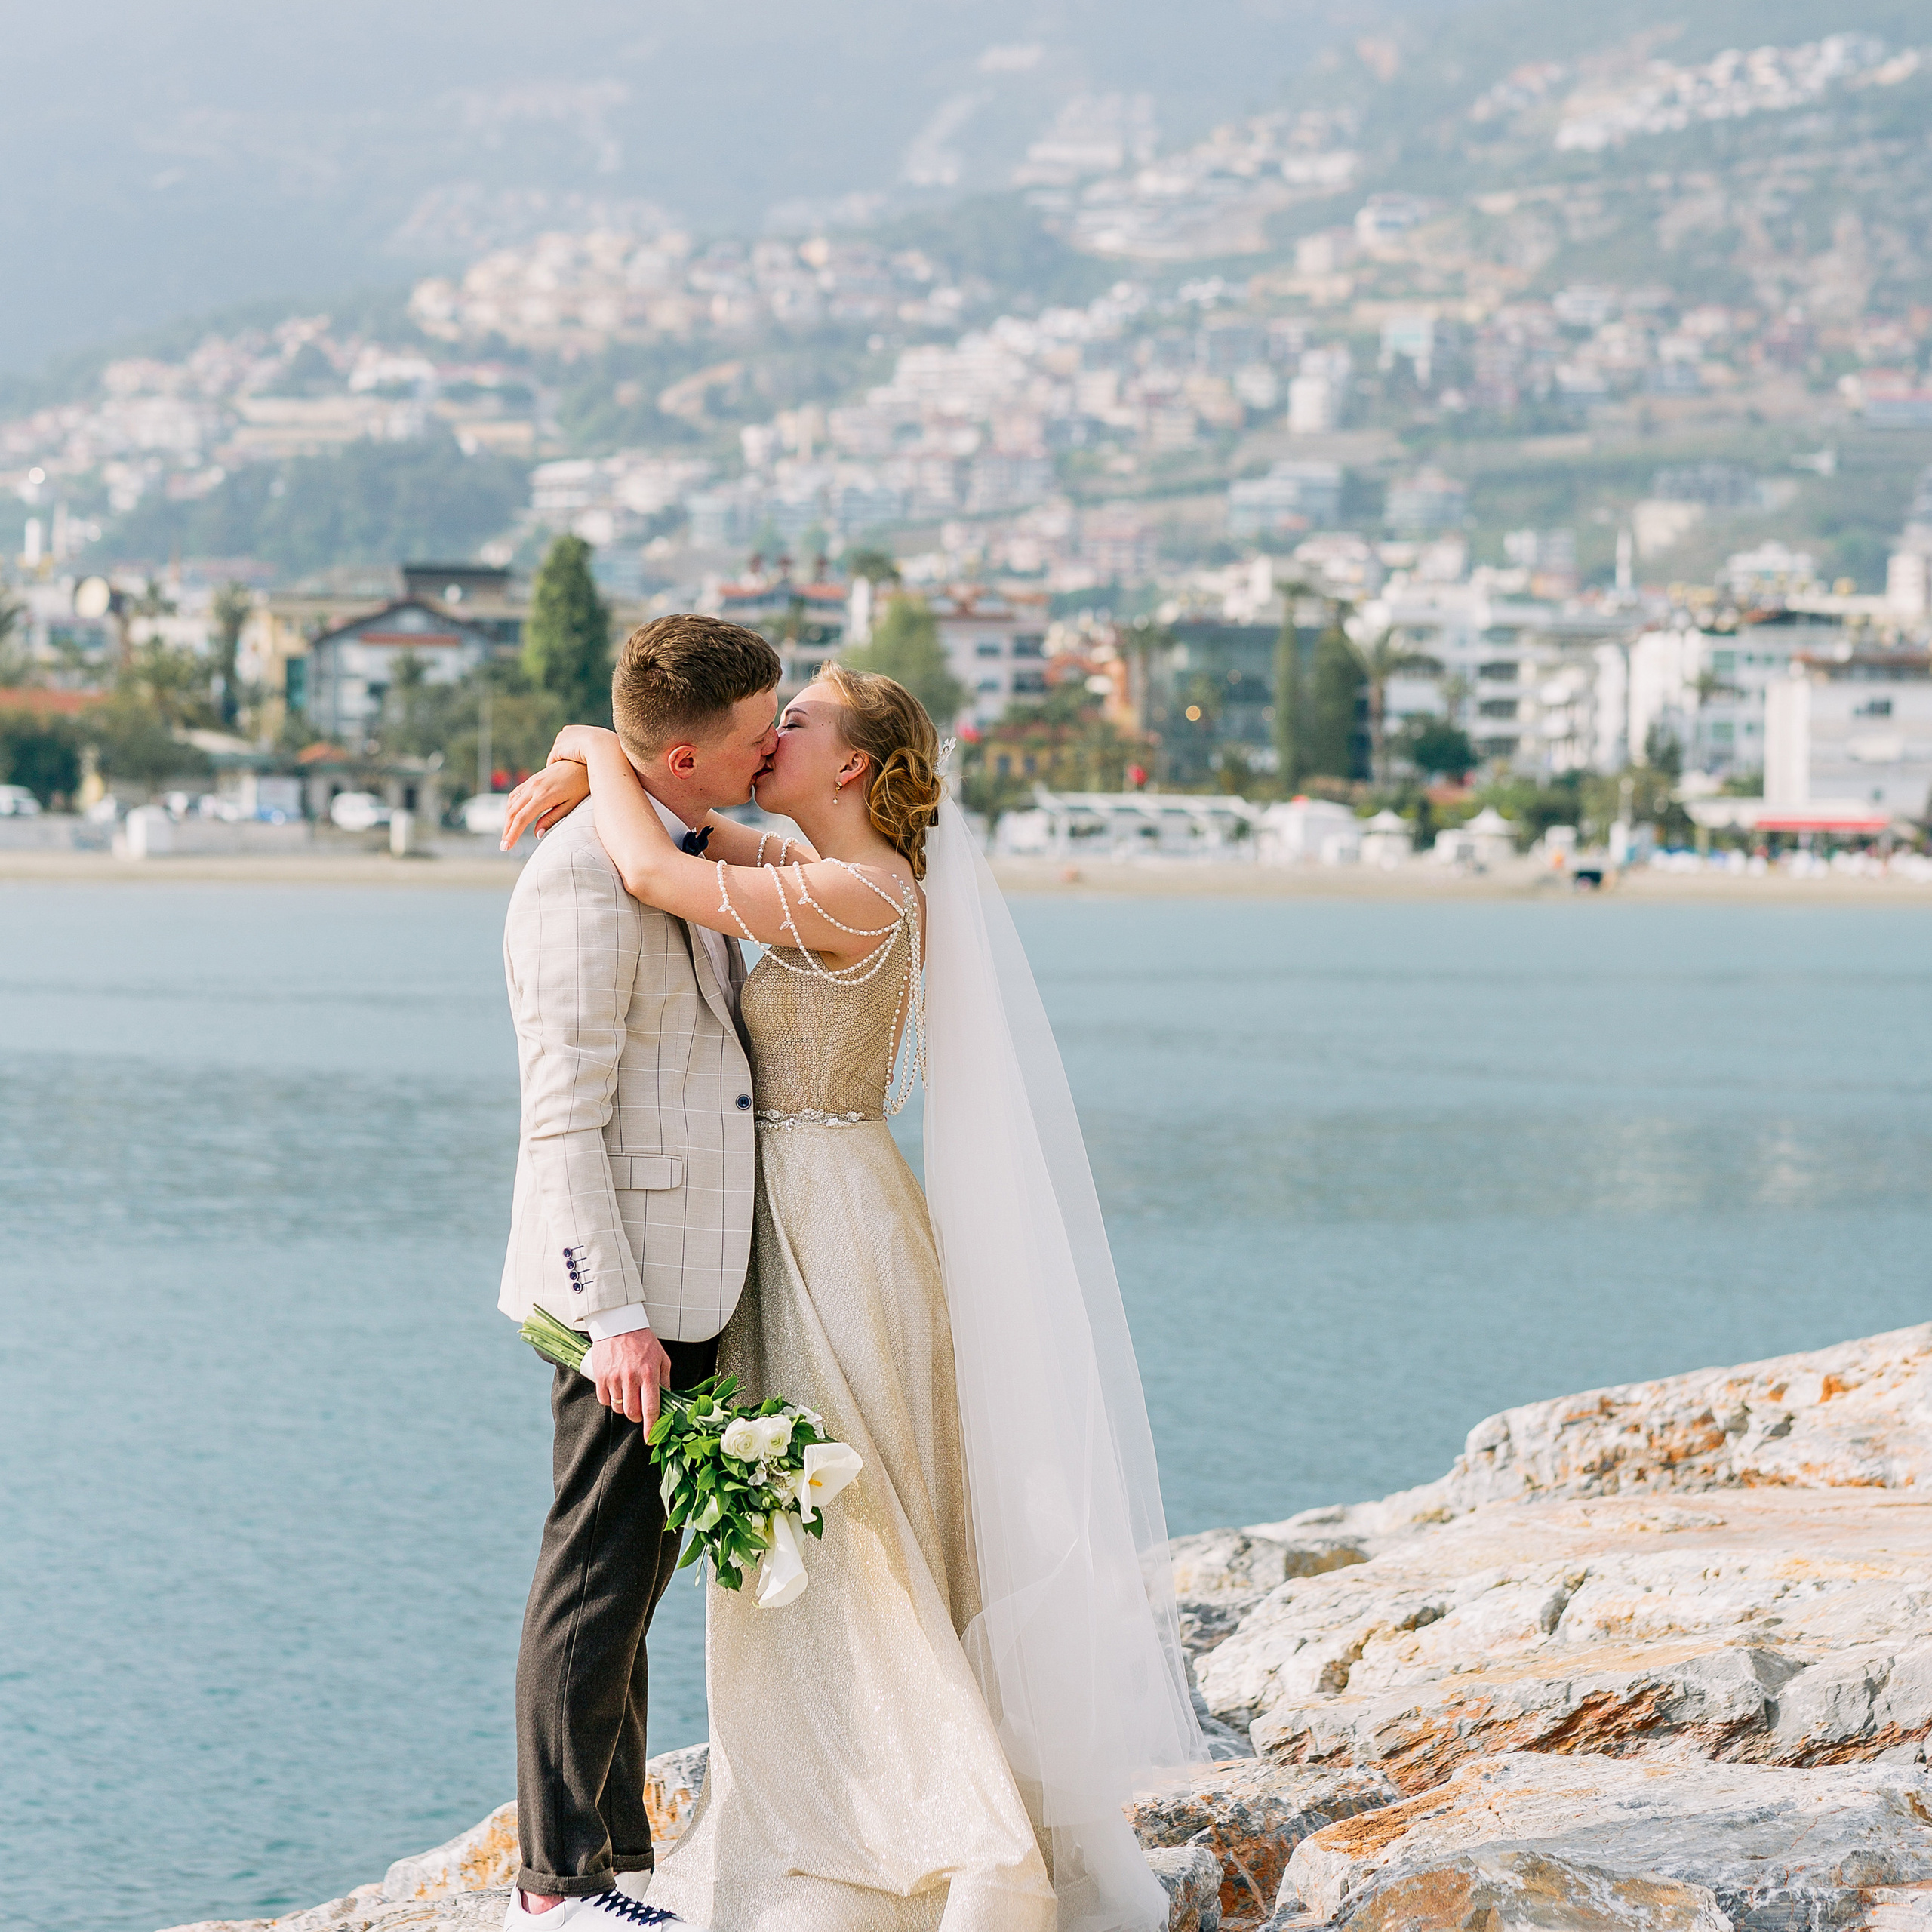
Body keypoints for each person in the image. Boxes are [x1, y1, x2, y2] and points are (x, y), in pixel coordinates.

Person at [503, 656, 1205, 1931]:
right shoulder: (802, 862)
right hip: (781, 1217)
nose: (774, 734)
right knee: (815, 1519)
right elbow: (685, 820)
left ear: (854, 768)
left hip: (832, 1222)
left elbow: (661, 870)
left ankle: (924, 1813)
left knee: (862, 1521)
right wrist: (593, 743)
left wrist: (598, 760)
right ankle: (806, 1791)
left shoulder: (864, 891)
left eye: (800, 721)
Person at [496, 613, 785, 1930]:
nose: (775, 743)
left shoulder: (667, 840)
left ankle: (618, 1865)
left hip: (690, 1279)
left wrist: (578, 748)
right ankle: (557, 1889)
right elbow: (562, 1119)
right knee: (594, 1580)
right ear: (678, 756)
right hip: (622, 1298)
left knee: (639, 1582)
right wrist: (612, 1317)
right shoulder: (577, 878)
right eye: (753, 733)